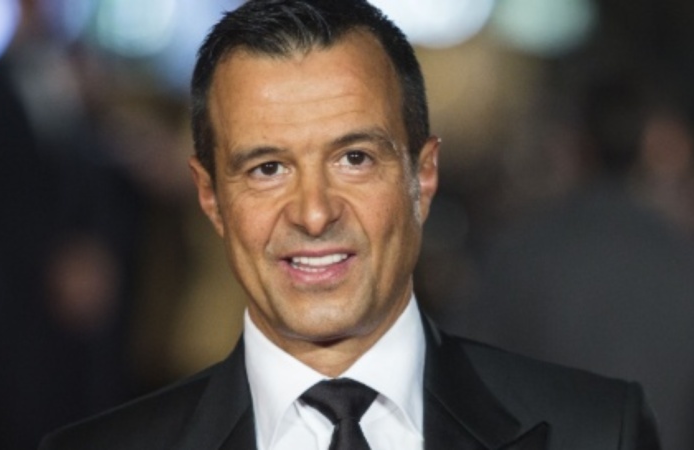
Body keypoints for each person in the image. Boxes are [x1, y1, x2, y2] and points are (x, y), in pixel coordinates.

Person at [39, 1, 661, 448]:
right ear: (211, 198)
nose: (314, 213)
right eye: (267, 168)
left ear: (423, 175)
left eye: (354, 159)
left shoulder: (599, 430)